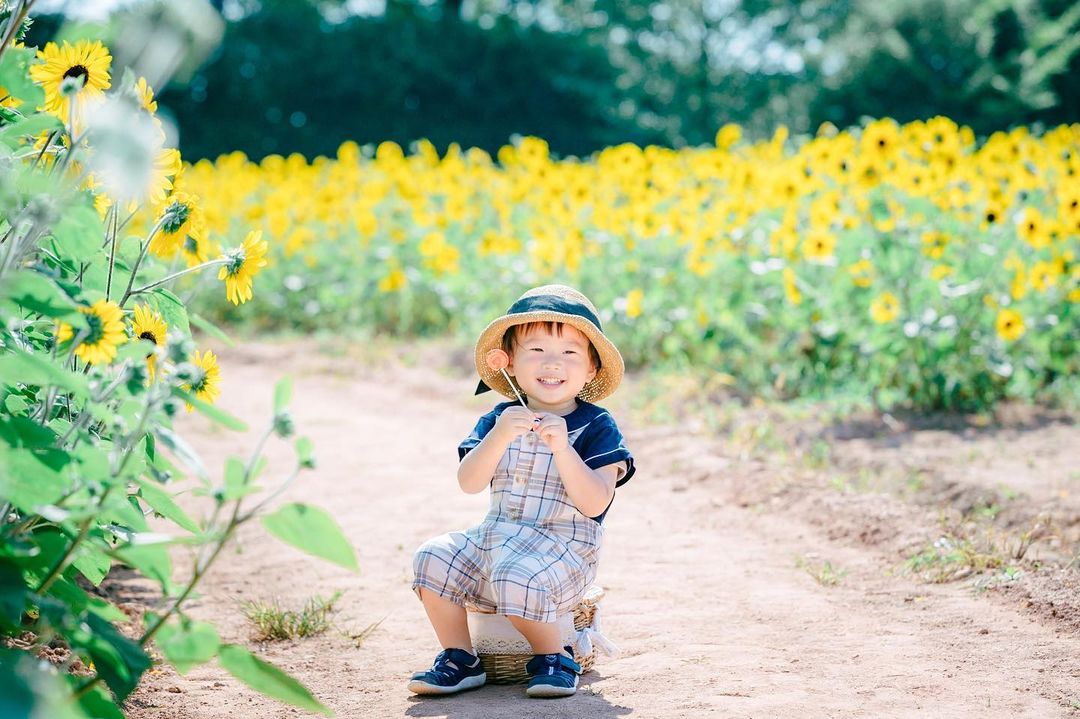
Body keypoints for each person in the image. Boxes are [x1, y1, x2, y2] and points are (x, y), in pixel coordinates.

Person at [409, 284, 635, 699]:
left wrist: (564, 449)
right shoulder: (499, 417)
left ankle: (553, 656)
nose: (552, 363)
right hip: (496, 536)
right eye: (536, 351)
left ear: (590, 370)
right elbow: (469, 483)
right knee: (431, 557)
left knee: (517, 573)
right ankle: (460, 657)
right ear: (509, 364)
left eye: (569, 353)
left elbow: (595, 501)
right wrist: (497, 436)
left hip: (563, 549)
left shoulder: (597, 426)